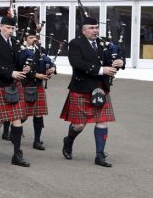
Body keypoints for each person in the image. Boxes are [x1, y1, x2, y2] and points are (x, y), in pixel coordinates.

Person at [60, 15, 124, 167]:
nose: (95, 31)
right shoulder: (75, 43)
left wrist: (119, 62)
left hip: (101, 88)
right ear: (83, 30)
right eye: (91, 28)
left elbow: (114, 56)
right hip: (82, 88)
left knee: (102, 121)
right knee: (79, 125)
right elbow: (77, 63)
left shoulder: (103, 43)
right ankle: (69, 141)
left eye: (96, 28)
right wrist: (102, 70)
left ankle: (99, 156)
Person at [0, 15, 31, 167]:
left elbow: (18, 62)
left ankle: (16, 154)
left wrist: (25, 67)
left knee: (17, 119)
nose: (10, 31)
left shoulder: (15, 43)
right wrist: (11, 73)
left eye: (12, 28)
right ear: (1, 27)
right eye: (8, 28)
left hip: (14, 86)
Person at [18, 27, 56, 150]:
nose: (33, 39)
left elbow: (48, 62)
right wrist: (35, 75)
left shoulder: (41, 49)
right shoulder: (21, 51)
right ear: (25, 39)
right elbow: (21, 67)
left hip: (38, 85)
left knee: (38, 114)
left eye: (35, 37)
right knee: (22, 115)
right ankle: (13, 130)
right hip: (26, 84)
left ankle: (37, 140)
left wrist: (52, 68)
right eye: (30, 38)